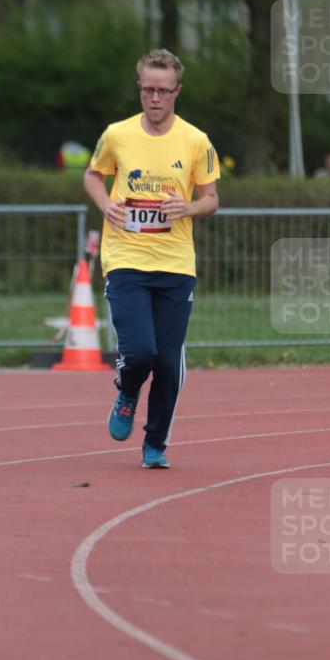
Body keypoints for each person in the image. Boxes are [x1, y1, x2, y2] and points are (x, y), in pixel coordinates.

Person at [83, 48, 219, 469]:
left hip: (176, 264)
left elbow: (211, 199)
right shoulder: (117, 135)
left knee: (167, 361)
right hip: (125, 258)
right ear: (139, 89)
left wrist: (188, 209)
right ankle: (127, 392)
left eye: (162, 90)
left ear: (177, 91)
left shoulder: (197, 141)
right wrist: (106, 203)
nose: (154, 98)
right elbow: (93, 175)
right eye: (147, 90)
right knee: (140, 352)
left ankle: (155, 444)